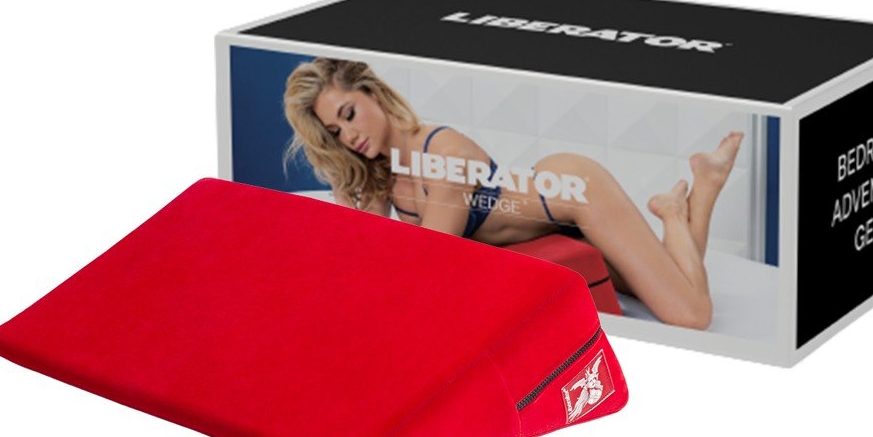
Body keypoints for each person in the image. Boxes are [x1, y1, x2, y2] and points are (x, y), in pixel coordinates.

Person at [284, 58, 743, 330]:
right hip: (551, 229)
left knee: (690, 315)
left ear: (373, 94)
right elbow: (360, 254)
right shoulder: (383, 174)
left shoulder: (443, 153)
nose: (349, 135)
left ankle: (690, 203)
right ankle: (689, 195)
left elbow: (426, 260)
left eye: (349, 114)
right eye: (334, 132)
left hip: (577, 193)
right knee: (661, 280)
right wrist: (343, 186)